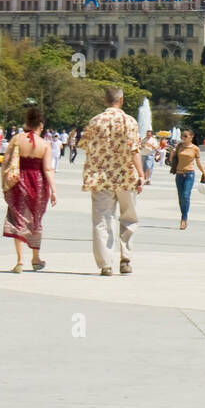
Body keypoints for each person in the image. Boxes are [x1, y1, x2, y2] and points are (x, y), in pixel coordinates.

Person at [82, 86, 143, 276]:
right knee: (129, 217)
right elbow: (134, 150)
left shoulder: (95, 121)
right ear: (121, 100)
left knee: (101, 221)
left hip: (101, 178)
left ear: (105, 100)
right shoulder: (130, 121)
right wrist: (141, 174)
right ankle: (125, 259)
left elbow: (85, 146)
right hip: (125, 176)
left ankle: (105, 264)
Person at [2, 107, 58, 273]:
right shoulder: (45, 144)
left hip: (19, 181)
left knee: (18, 218)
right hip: (38, 183)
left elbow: (6, 161)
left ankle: (20, 261)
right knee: (35, 219)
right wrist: (54, 190)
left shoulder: (17, 139)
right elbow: (48, 169)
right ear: (40, 125)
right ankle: (35, 258)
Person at [168, 129, 205, 229]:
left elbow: (198, 163)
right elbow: (172, 160)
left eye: (185, 136)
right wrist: (171, 153)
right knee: (181, 197)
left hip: (189, 174)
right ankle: (183, 215)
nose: (183, 137)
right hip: (179, 174)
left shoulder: (195, 149)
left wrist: (204, 173)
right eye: (182, 136)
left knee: (186, 195)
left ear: (191, 137)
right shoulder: (179, 146)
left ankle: (184, 218)